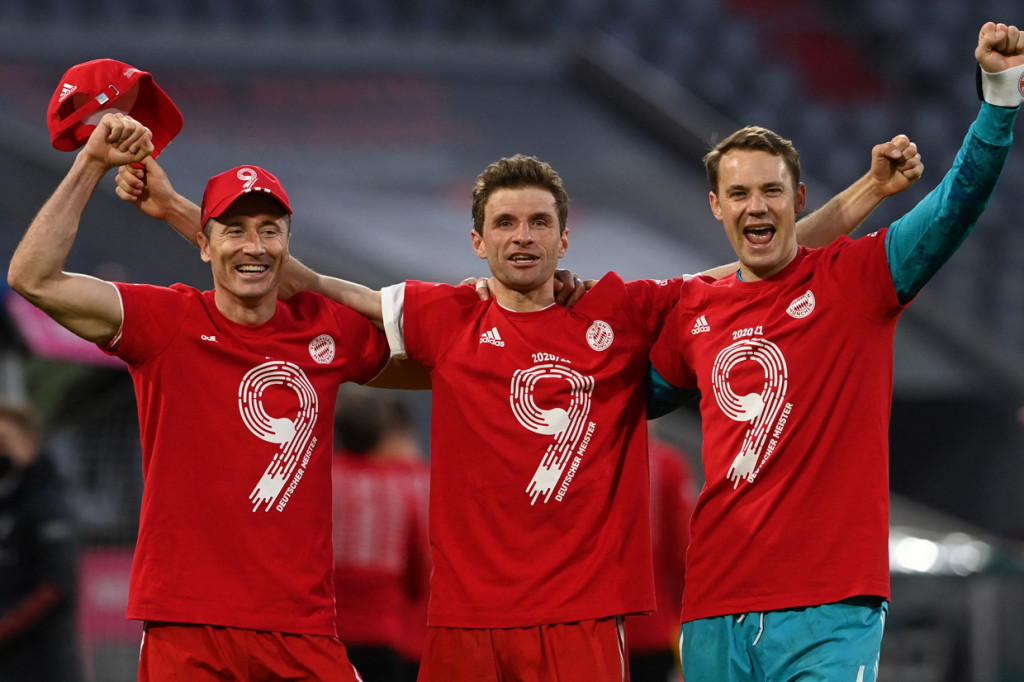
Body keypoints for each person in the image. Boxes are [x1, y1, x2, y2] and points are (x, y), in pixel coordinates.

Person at [115, 131, 921, 680]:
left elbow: (761, 259)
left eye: (540, 222)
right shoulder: (444, 316)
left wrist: (866, 193)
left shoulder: (625, 311)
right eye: (506, 222)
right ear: (478, 241)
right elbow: (308, 280)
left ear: (568, 237)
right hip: (462, 623)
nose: (524, 235)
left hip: (579, 623)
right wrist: (186, 217)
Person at [646, 21, 1023, 682]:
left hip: (830, 607)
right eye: (738, 193)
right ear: (715, 206)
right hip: (714, 608)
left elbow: (956, 205)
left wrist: (998, 95)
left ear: (798, 199)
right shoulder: (693, 312)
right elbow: (624, 399)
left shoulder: (859, 279)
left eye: (770, 192)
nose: (755, 206)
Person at [7, 114, 393, 680]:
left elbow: (433, 358)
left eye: (270, 229)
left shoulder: (326, 330)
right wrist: (90, 163)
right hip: (188, 626)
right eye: (234, 230)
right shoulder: (168, 321)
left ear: (289, 243)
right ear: (203, 246)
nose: (254, 245)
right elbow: (33, 277)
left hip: (300, 628)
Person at [331, 386, 430, 682]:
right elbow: (419, 569)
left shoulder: (321, 480)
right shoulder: (403, 484)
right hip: (386, 632)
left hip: (329, 631)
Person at [0, 401, 84, 682]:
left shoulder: (48, 503)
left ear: (30, 444)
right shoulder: (8, 502)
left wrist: (5, 626)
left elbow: (56, 588)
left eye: (4, 441)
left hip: (45, 666)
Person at [624, 425, 694, 682]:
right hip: (655, 626)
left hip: (602, 632)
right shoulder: (667, 464)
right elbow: (684, 551)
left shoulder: (591, 468)